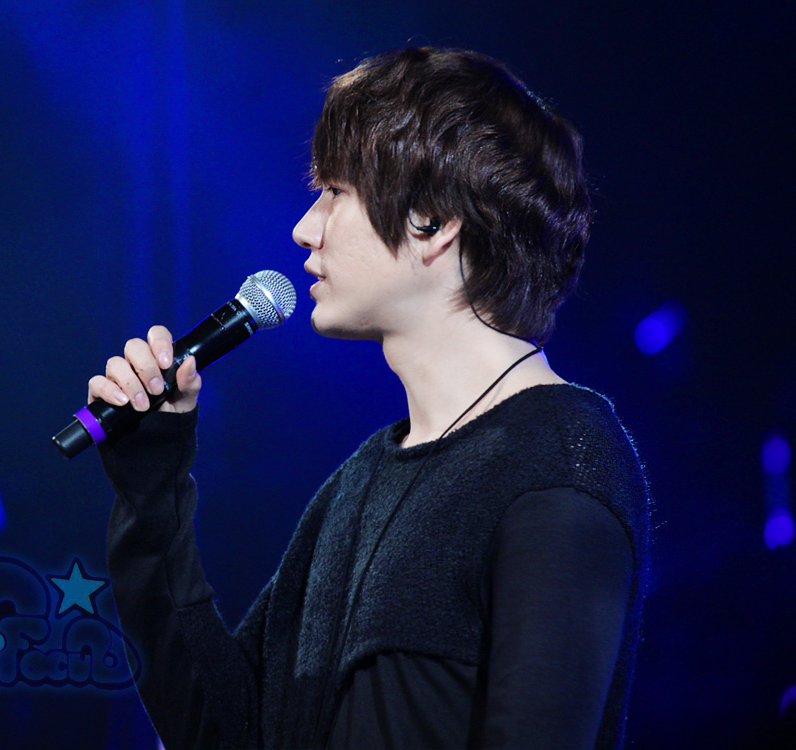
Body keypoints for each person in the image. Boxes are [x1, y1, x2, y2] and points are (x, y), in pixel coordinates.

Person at [90, 47, 650, 749]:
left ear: (432, 221)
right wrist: (152, 490)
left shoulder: (558, 459)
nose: (305, 228)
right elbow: (220, 733)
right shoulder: (358, 484)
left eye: (335, 191)